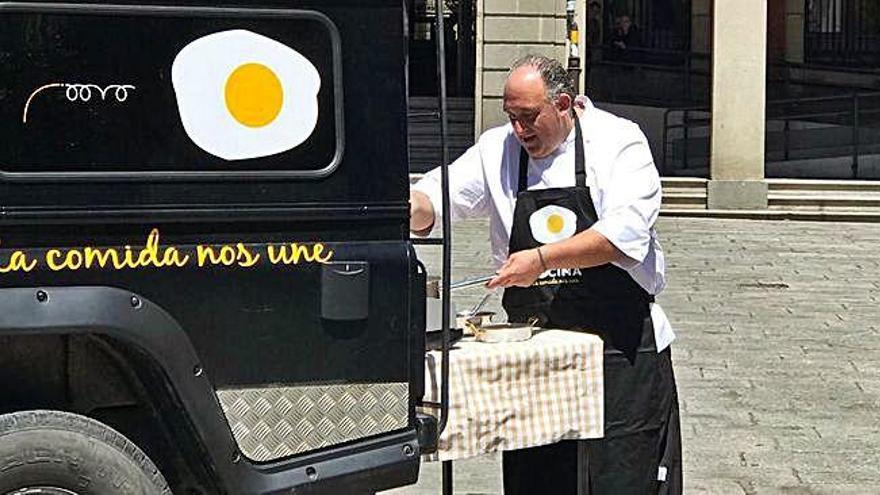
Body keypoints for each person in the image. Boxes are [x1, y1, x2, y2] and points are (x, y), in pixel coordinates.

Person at [410, 55, 682, 494]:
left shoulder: (618, 142)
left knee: (624, 476)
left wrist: (539, 260)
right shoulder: (497, 148)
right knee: (537, 478)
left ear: (564, 104)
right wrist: (408, 206)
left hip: (618, 343)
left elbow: (622, 236)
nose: (520, 130)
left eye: (529, 117)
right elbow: (437, 198)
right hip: (536, 349)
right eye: (511, 117)